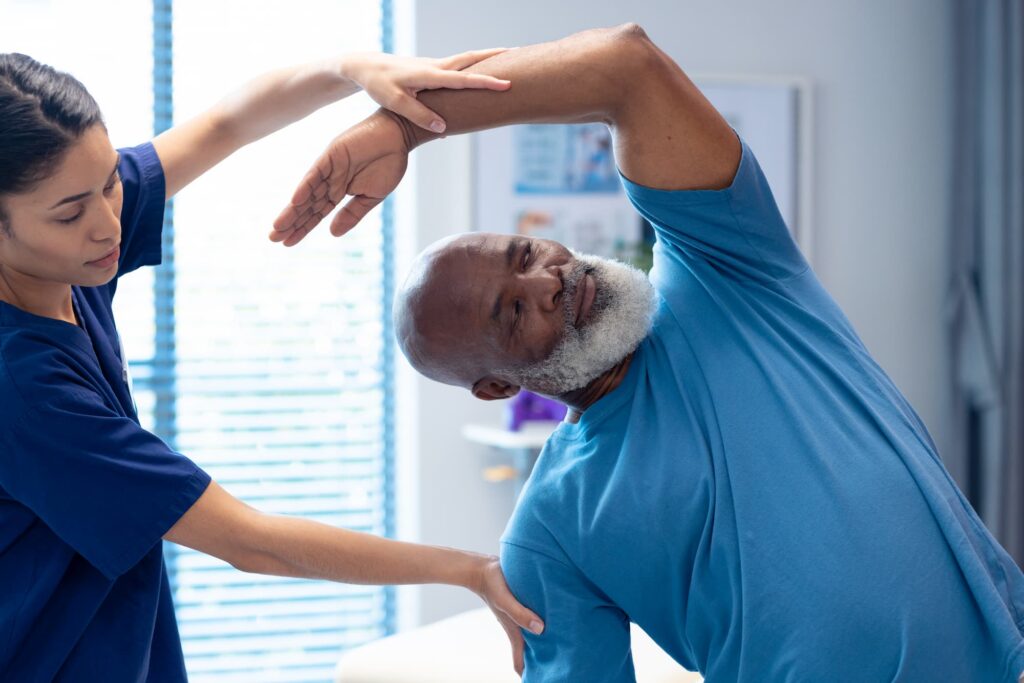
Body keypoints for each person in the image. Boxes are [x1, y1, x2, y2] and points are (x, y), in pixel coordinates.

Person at [272, 24, 1024, 682]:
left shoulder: (727, 269)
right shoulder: (549, 534)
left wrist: (401, 129)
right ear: (499, 386)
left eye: (526, 251)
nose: (550, 281)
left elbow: (625, 65)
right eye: (511, 311)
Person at [0, 49, 545, 682]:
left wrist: (352, 70)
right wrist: (470, 569)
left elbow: (228, 122)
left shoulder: (65, 260)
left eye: (110, 183)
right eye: (71, 212)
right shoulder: (24, 387)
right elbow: (249, 540)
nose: (108, 224)